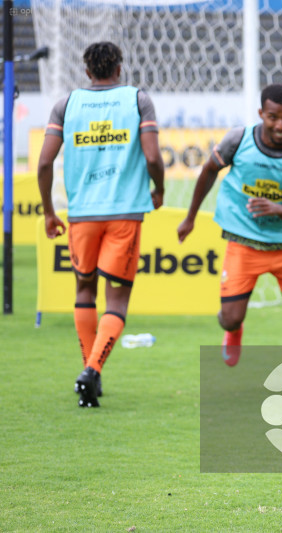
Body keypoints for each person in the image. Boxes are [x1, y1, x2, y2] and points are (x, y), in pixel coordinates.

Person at [37, 41, 165, 408]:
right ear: (119, 69)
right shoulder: (138, 100)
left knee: (84, 290)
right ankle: (92, 371)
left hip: (81, 215)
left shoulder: (67, 104)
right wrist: (160, 188)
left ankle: (91, 370)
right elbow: (153, 156)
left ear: (87, 71)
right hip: (125, 213)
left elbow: (44, 165)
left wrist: (49, 211)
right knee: (118, 298)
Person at [177, 84, 282, 394]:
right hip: (244, 242)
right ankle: (234, 330)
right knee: (228, 318)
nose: (281, 125)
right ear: (261, 114)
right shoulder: (238, 139)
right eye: (273, 117)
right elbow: (209, 170)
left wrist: (275, 208)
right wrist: (190, 217)